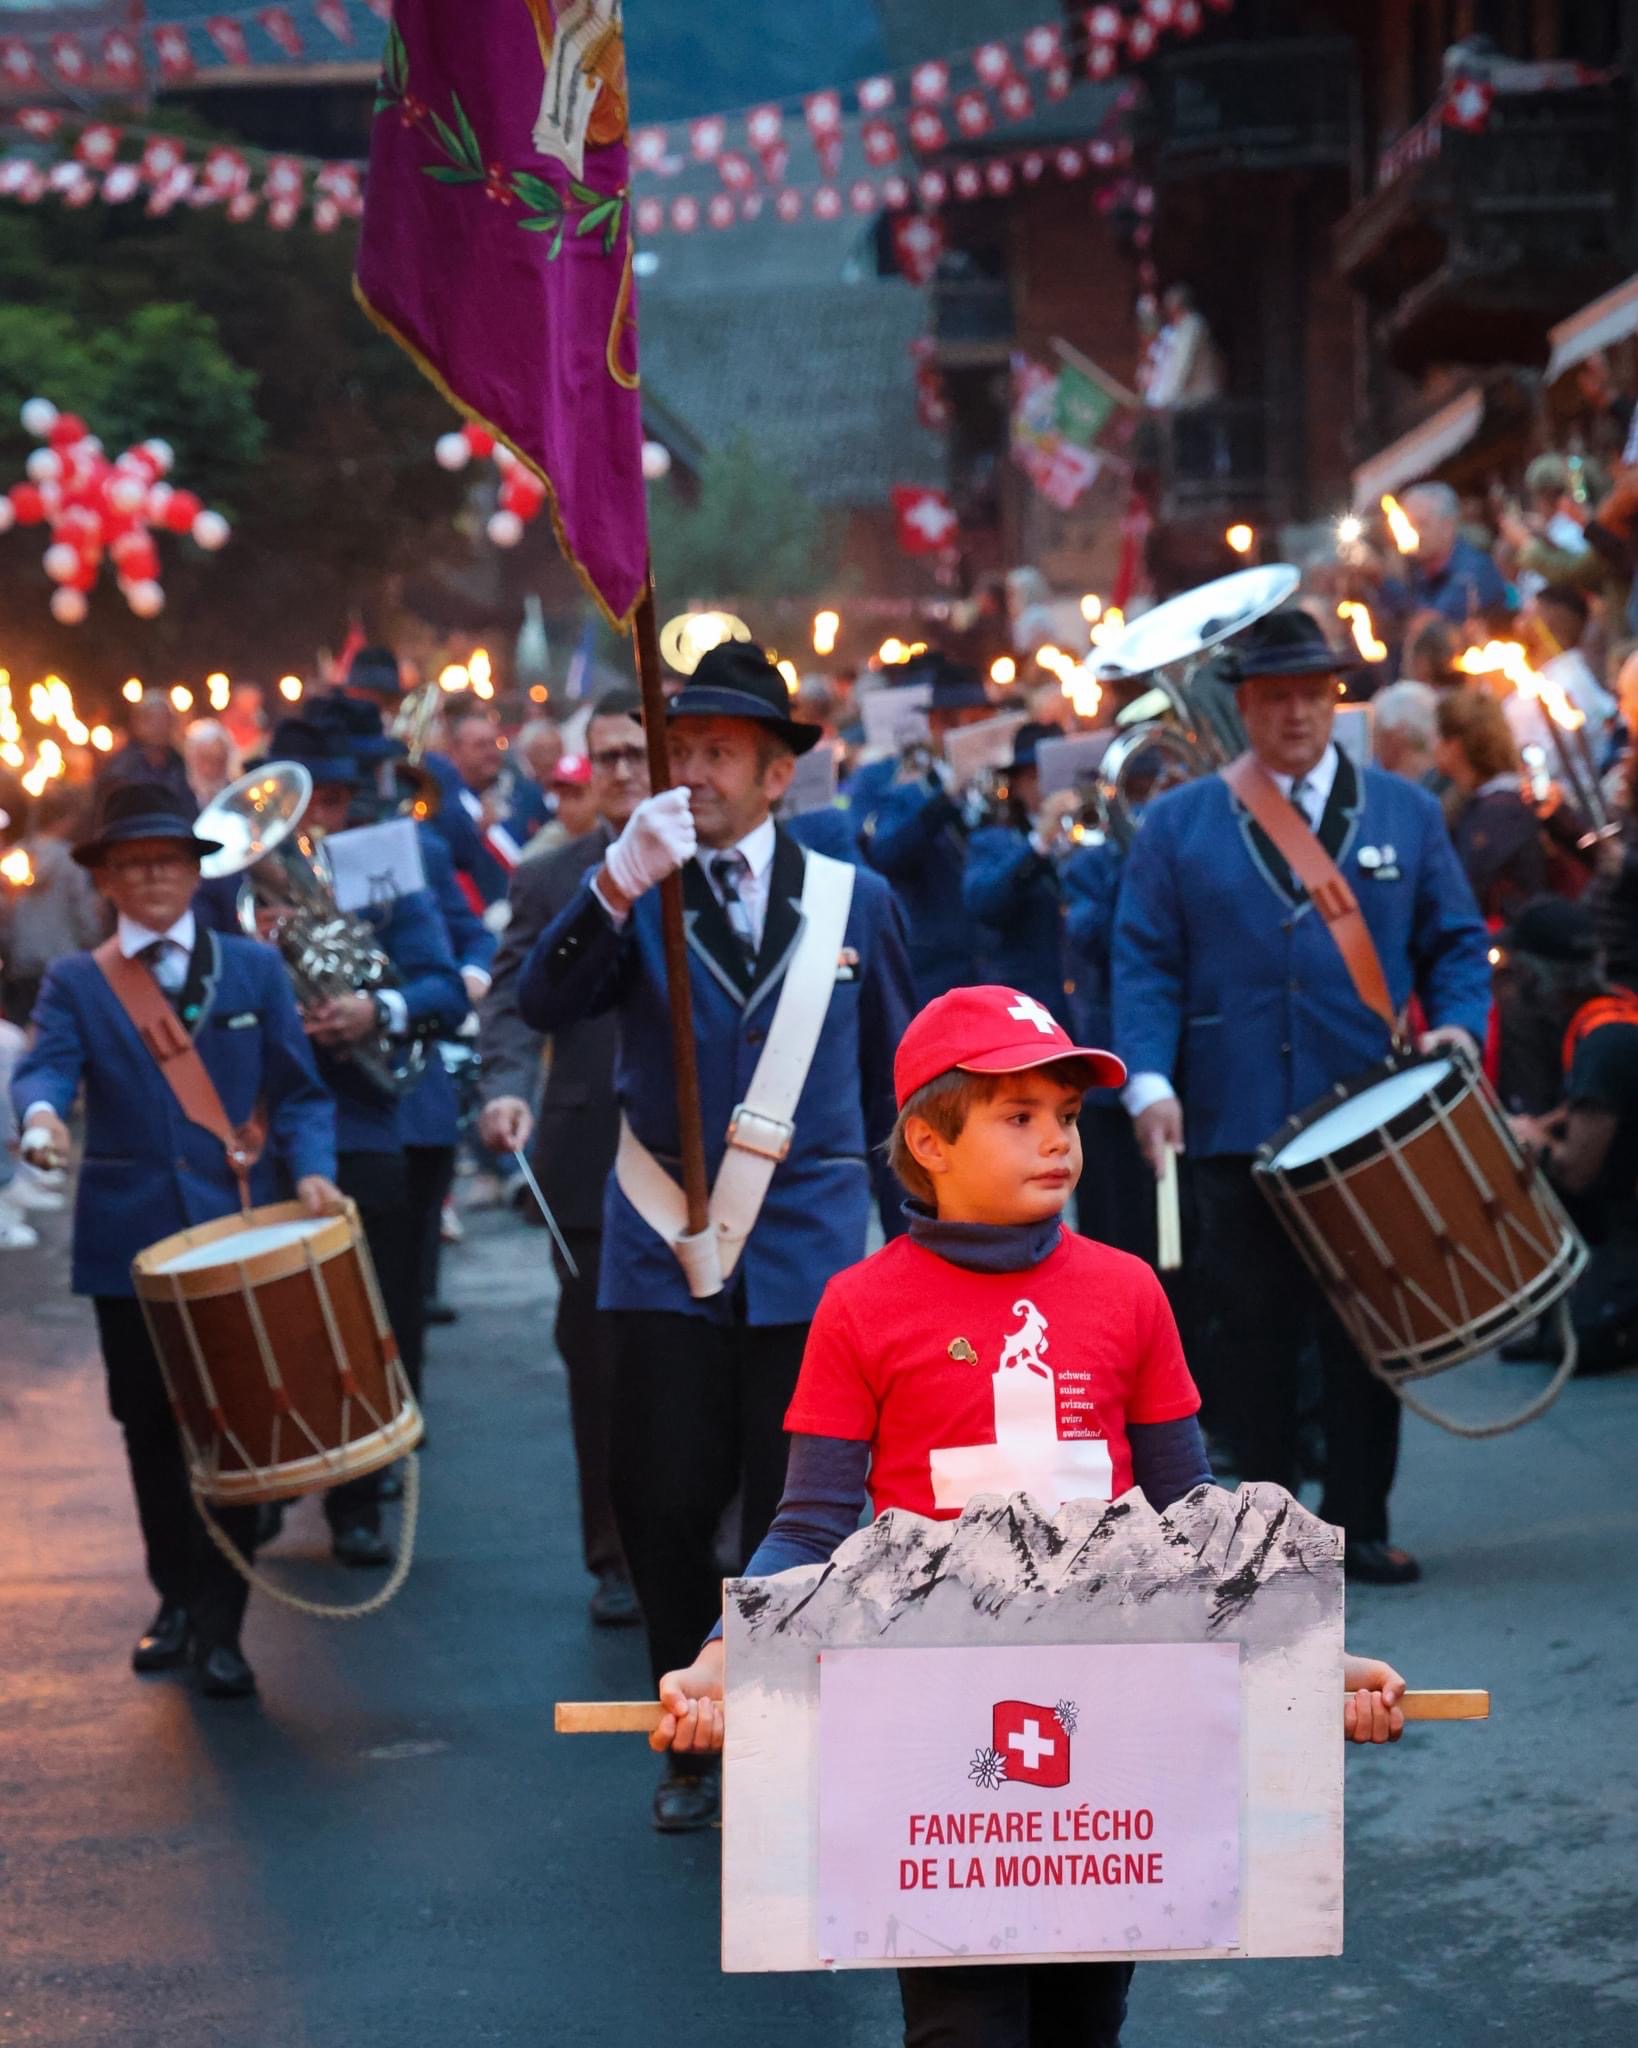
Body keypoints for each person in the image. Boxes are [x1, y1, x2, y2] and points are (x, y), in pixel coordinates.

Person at [651, 984, 1410, 2048]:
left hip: (1111, 1714)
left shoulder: (1130, 1289)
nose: (1059, 1139)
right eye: (1020, 1116)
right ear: (931, 1139)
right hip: (930, 1720)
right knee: (962, 2022)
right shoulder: (860, 1304)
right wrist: (722, 1653)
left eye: (1065, 1114)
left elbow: (1193, 1519)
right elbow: (810, 1526)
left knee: (1083, 2017)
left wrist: (1317, 1656)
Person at [518, 642, 914, 1831]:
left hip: (808, 1259)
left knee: (807, 1507)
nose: (693, 771)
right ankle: (692, 1732)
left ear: (777, 772)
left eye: (719, 752)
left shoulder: (859, 898)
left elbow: (903, 1090)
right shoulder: (636, 884)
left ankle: (797, 1723)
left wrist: (920, 1254)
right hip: (663, 1241)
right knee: (662, 1495)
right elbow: (546, 1004)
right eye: (680, 749)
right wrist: (611, 890)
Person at [1113, 608, 1492, 1584]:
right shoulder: (1176, 820)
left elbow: (1455, 939)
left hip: (1372, 1117)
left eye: (1312, 694)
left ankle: (1360, 1519)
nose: (1295, 713)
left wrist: (1457, 1022)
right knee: (1248, 1336)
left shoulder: (1405, 809)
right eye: (1275, 695)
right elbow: (1146, 958)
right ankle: (1267, 1529)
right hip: (1230, 1115)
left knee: (1368, 1327)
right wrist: (1149, 1081)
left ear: (1338, 699)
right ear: (1245, 705)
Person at [11, 781, 342, 1697]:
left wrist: (313, 1166)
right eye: (132, 864)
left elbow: (303, 1091)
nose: (152, 877)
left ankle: (224, 1622)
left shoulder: (253, 970)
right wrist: (39, 1118)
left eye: (168, 860)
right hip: (130, 1253)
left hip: (243, 1241)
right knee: (150, 1432)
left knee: (237, 1429)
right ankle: (177, 1598)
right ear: (107, 881)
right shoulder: (80, 980)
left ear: (196, 872)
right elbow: (44, 1067)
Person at [264, 722, 468, 1566]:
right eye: (311, 802)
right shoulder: (234, 883)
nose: (326, 819)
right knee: (274, 1319)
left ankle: (356, 1499)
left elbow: (443, 987)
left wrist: (371, 1010)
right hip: (272, 1124)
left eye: (341, 800)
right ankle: (269, 1482)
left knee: (371, 1314)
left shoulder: (385, 873)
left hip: (371, 1121)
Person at [478, 690, 649, 1629]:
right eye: (605, 758)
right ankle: (614, 1556)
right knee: (599, 1367)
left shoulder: (705, 873)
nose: (621, 771)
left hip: (704, 1165)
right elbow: (507, 998)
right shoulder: (549, 880)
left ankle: (724, 1544)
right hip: (584, 1157)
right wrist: (504, 1084)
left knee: (708, 1363)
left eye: (636, 754)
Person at [1503, 898, 1638, 1375]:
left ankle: (1596, 1312)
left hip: (1625, 1214)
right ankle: (1561, 1312)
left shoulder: (1603, 1043)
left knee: (1586, 1343)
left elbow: (1577, 1171)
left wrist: (1528, 1139)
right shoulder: (1617, 1010)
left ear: (1538, 976)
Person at [859, 657, 997, 1005]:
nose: (984, 736)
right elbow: (886, 852)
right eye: (972, 724)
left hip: (998, 966)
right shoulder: (901, 786)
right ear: (938, 725)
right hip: (936, 969)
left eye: (986, 722)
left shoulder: (1003, 778)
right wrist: (946, 794)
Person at [960, 722, 1073, 1028]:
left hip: (1095, 1009)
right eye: (1035, 776)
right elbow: (984, 904)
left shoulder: (1098, 836)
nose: (1047, 785)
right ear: (1018, 784)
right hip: (1035, 1007)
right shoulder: (993, 842)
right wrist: (1039, 844)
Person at [1434, 690, 1549, 924]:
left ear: (1455, 745)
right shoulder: (1472, 803)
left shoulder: (1499, 811)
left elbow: (1472, 890)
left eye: (1438, 736)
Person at [0, 784, 104, 1025]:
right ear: (65, 818)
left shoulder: (13, 857)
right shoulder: (70, 861)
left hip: (21, 964)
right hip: (64, 962)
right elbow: (84, 916)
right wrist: (95, 944)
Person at [1386, 481, 1509, 626]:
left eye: (1422, 524)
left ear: (1447, 526)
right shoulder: (1418, 574)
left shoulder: (1473, 571)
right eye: (1409, 525)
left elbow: (1434, 627)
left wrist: (1387, 579)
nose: (1413, 533)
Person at [428, 705, 514, 909]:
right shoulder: (443, 803)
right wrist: (476, 832)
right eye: (480, 745)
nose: (491, 752)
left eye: (494, 744)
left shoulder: (520, 792)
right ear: (455, 751)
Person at [94, 692, 195, 816]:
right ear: (137, 724)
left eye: (165, 720)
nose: (160, 726)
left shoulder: (183, 766)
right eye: (153, 720)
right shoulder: (120, 771)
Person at [1372, 680, 1442, 790]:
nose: (1373, 746)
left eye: (1377, 734)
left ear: (1395, 736)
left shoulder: (1392, 794)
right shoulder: (1447, 784)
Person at [507, 716, 564, 846]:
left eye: (558, 750)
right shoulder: (518, 795)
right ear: (528, 755)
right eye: (545, 752)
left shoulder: (575, 788)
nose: (553, 759)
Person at [181, 719, 243, 810]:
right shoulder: (176, 796)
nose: (211, 768)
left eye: (218, 760)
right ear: (191, 759)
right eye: (205, 759)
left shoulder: (239, 797)